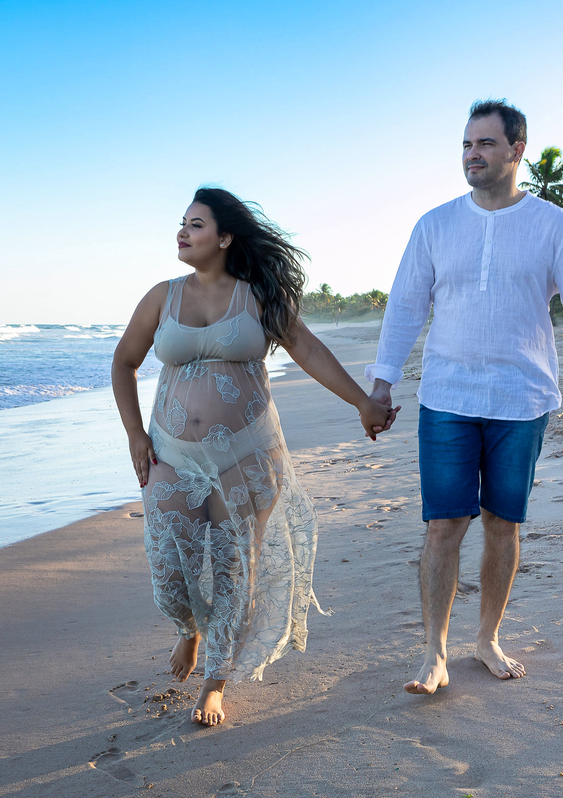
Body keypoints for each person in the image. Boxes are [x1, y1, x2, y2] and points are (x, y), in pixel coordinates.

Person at [366, 101, 563, 695]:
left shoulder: (554, 226)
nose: (471, 155)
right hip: (448, 395)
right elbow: (406, 306)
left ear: (516, 151)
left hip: (522, 397)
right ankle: (433, 652)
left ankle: (485, 640)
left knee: (502, 525)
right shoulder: (434, 225)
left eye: (484, 144)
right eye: (465, 145)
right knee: (442, 526)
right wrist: (382, 385)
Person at [112, 187, 397, 726]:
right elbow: (123, 362)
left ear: (224, 237)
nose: (183, 231)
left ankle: (214, 683)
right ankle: (188, 629)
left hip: (248, 453)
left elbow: (307, 349)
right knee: (171, 572)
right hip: (171, 453)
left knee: (232, 568)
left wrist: (363, 402)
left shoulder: (258, 296)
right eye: (182, 222)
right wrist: (134, 433)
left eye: (196, 225)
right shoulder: (162, 297)